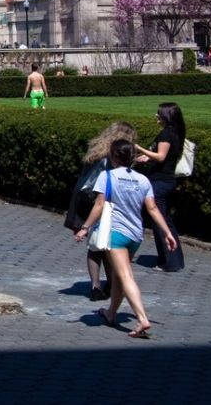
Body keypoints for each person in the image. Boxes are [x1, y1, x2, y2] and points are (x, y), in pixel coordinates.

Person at [74, 139, 178, 338]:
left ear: (113, 156)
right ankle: (111, 313)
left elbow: (99, 205)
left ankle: (142, 318)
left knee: (125, 275)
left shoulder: (107, 177)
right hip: (135, 235)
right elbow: (153, 209)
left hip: (116, 233)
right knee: (119, 277)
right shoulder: (143, 180)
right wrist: (168, 233)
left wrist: (85, 227)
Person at [66, 121, 138, 300]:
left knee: (96, 245)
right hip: (103, 203)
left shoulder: (97, 151)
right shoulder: (112, 156)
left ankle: (96, 285)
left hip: (86, 200)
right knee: (106, 245)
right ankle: (110, 284)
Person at [135, 103, 187, 272]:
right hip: (165, 180)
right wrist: (145, 157)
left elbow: (161, 156)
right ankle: (175, 259)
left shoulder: (166, 134)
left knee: (160, 222)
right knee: (165, 220)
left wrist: (138, 148)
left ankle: (168, 261)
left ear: (166, 117)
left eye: (159, 114)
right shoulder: (174, 133)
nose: (156, 116)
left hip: (160, 182)